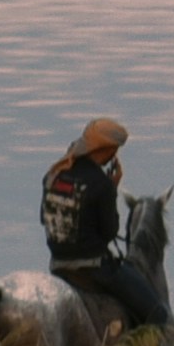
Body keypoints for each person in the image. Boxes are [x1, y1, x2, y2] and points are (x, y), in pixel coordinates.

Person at [38, 115, 158, 327]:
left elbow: (44, 218)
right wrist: (111, 189)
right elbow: (109, 232)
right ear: (107, 150)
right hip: (92, 269)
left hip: (57, 264)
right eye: (115, 149)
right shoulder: (101, 184)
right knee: (156, 312)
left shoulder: (55, 174)